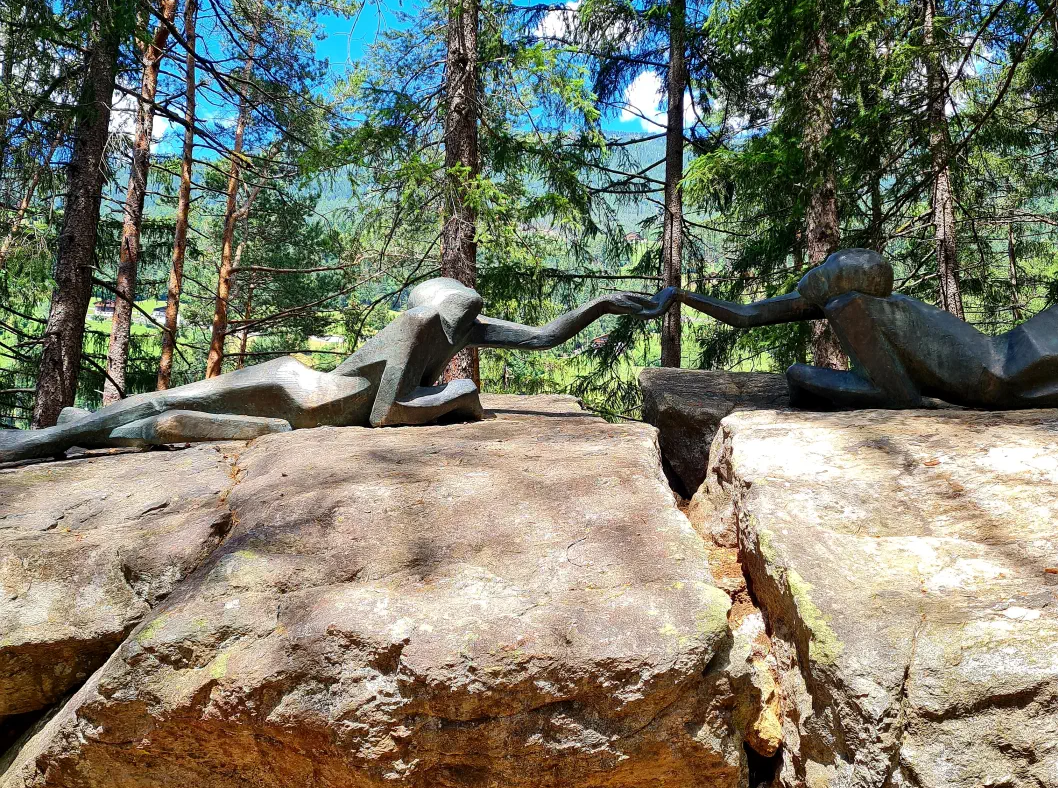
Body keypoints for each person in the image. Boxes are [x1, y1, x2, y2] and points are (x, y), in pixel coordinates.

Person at [0, 278, 676, 463]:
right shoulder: (418, 329)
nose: (473, 327)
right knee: (162, 401)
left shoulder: (453, 323)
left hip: (309, 416)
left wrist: (601, 305)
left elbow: (540, 338)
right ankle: (40, 440)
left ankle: (80, 429)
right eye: (467, 319)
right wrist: (457, 397)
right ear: (445, 314)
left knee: (169, 417)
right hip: (299, 393)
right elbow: (383, 414)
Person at [678, 247, 1058, 410]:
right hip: (1000, 359)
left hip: (1002, 378)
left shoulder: (851, 308)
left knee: (797, 371)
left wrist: (800, 379)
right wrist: (677, 296)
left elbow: (897, 396)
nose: (816, 273)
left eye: (828, 272)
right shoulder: (845, 300)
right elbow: (748, 314)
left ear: (846, 289)